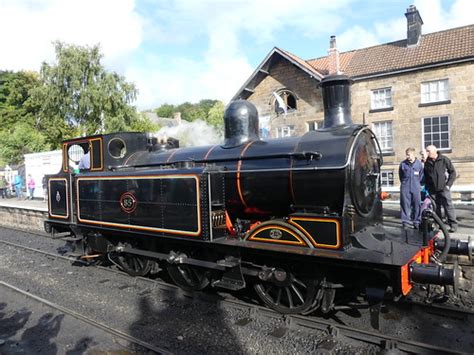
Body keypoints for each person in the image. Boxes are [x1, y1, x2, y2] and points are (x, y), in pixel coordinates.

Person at [424, 145, 458, 232]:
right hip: (432, 190)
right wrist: (428, 187)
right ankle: (439, 224)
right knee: (436, 208)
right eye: (426, 151)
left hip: (443, 188)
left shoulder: (444, 159)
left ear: (434, 151)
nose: (426, 153)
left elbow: (453, 173)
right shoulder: (427, 162)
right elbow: (426, 176)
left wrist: (448, 185)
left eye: (428, 151)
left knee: (448, 206)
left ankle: (453, 224)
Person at [399, 147, 424, 229]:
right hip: (405, 187)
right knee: (405, 205)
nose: (407, 157)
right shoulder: (403, 164)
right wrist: (404, 183)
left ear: (413, 154)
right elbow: (401, 176)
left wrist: (417, 184)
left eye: (408, 155)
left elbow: (421, 176)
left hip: (416, 187)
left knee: (417, 204)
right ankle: (405, 221)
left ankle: (417, 221)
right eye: (406, 155)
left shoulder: (419, 164)